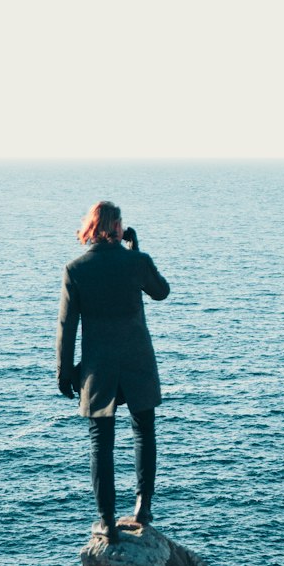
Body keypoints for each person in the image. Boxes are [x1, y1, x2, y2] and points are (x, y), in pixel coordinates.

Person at [56, 200, 170, 543]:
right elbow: (161, 292)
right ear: (117, 228)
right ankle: (142, 508)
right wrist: (138, 251)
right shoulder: (137, 262)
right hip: (138, 361)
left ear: (91, 227)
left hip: (97, 367)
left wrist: (64, 372)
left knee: (100, 443)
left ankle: (106, 521)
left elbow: (67, 326)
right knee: (143, 431)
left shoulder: (76, 269)